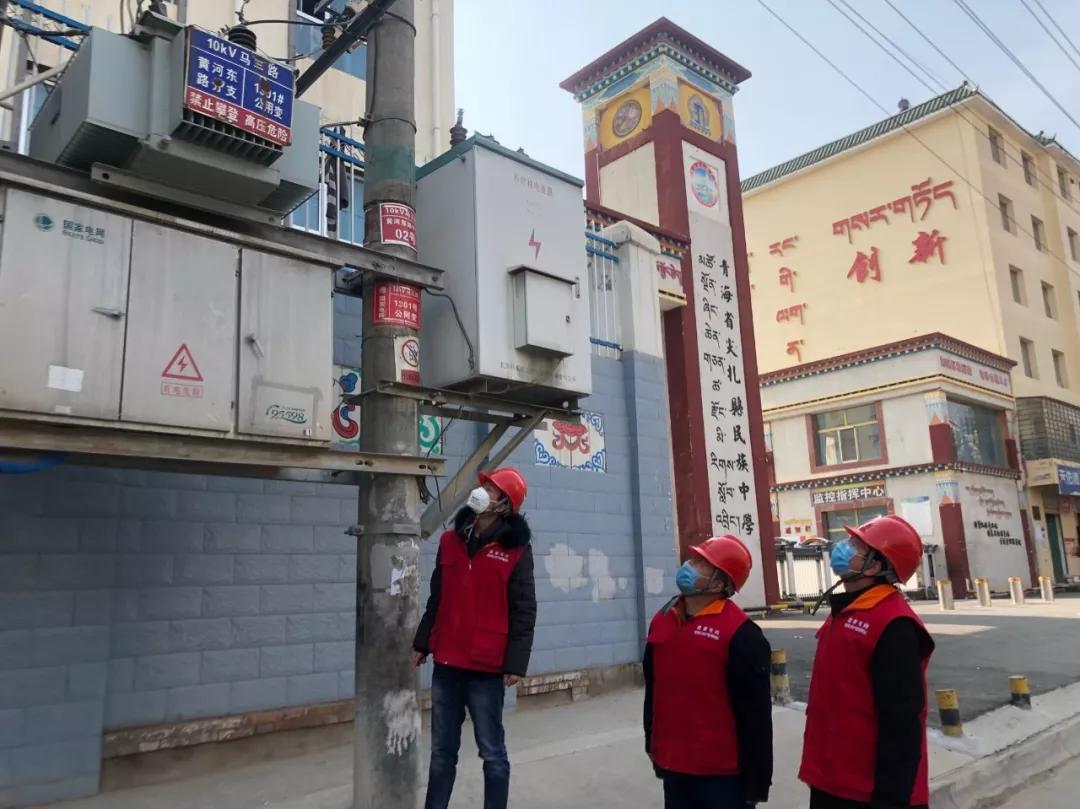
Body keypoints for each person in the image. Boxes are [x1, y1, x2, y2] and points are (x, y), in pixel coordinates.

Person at [412, 467, 536, 809]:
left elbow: (524, 609)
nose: (482, 492)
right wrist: (422, 643)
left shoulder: (516, 552)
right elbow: (437, 597)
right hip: (447, 663)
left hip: (486, 667)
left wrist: (516, 663)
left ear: (505, 504)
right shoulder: (450, 542)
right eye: (485, 485)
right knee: (441, 752)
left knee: (492, 753)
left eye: (492, 489)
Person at [800, 515, 935, 809]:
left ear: (874, 566)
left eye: (856, 545)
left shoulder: (893, 624)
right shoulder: (849, 610)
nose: (843, 548)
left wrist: (891, 798)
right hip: (832, 778)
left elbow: (902, 720)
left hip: (869, 791)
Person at [643, 534, 773, 808]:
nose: (689, 566)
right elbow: (654, 688)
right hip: (674, 765)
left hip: (723, 776)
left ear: (719, 583)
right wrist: (652, 744)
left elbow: (755, 716)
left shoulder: (741, 634)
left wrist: (757, 782)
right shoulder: (663, 619)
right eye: (694, 559)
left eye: (702, 563)